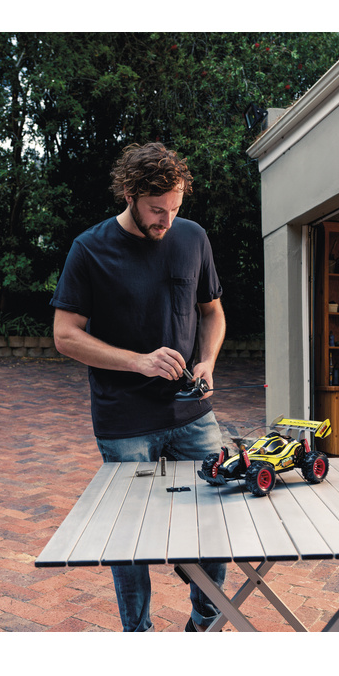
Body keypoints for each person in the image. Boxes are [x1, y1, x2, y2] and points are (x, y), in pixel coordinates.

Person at [51, 141, 227, 632]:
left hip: (192, 413)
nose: (167, 220)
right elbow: (65, 336)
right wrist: (139, 362)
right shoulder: (90, 248)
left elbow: (213, 313)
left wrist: (208, 361)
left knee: (215, 522)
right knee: (130, 535)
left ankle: (205, 624)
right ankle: (139, 635)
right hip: (124, 419)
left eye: (175, 208)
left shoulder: (193, 237)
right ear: (129, 195)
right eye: (156, 210)